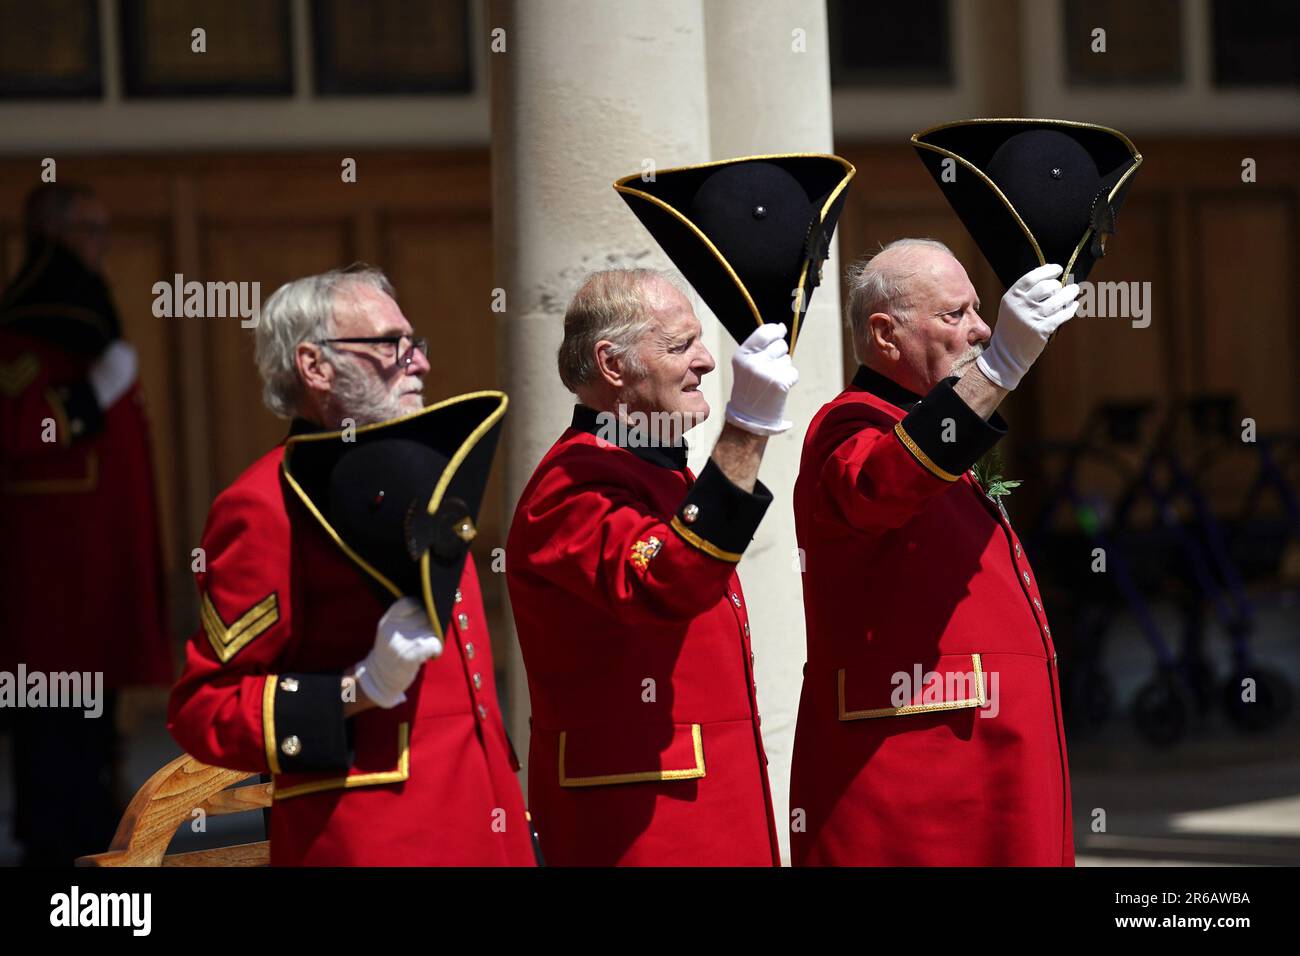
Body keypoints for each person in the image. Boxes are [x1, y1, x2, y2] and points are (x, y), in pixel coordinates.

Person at [167, 264, 535, 865]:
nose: (420, 364)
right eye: (392, 345)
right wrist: (357, 687)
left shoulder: (424, 472)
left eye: (415, 344)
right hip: (370, 841)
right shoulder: (264, 504)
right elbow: (203, 707)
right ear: (315, 367)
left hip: (484, 824)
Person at [789, 238, 1080, 865]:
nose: (980, 329)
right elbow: (882, 485)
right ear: (886, 335)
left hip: (982, 755)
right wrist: (998, 369)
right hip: (918, 773)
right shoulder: (850, 423)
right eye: (955, 315)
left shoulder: (922, 424)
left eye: (980, 311)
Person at [506, 269, 795, 865]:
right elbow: (668, 580)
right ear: (612, 364)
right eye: (679, 345)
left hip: (700, 807)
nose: (706, 362)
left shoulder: (655, 471)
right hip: (642, 826)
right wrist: (745, 431)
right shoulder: (573, 484)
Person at [0, 183, 171, 866]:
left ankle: (92, 830)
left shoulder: (84, 326)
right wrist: (91, 394)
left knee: (93, 715)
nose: (100, 246)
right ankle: (55, 845)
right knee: (53, 721)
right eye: (88, 231)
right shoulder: (19, 337)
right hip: (49, 576)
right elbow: (19, 428)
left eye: (104, 230)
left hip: (96, 567)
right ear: (54, 236)